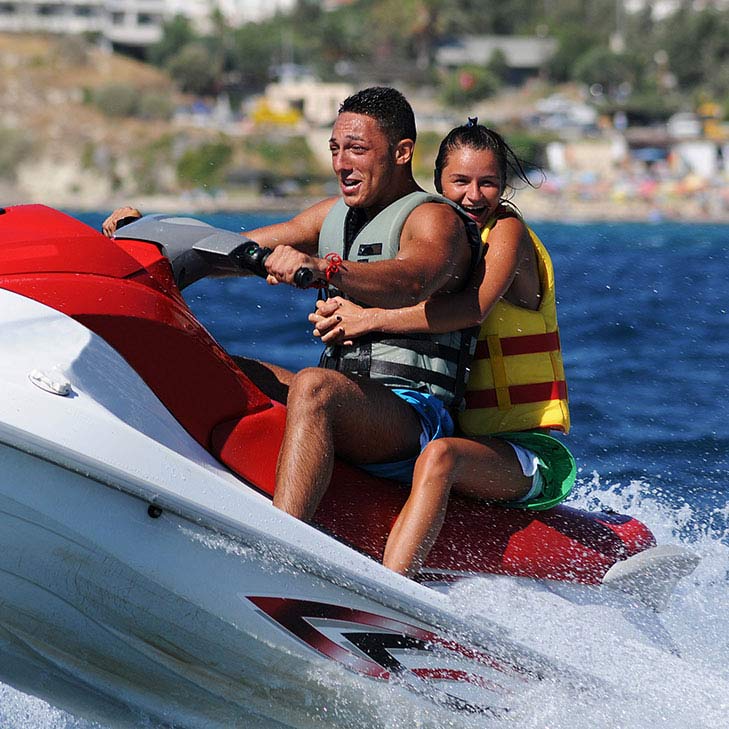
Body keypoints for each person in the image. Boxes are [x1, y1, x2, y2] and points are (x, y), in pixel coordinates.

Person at [102, 86, 481, 524]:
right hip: (354, 402)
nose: (342, 163)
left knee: (313, 387)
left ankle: (284, 540)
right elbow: (234, 251)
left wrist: (325, 268)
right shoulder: (329, 216)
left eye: (357, 149)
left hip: (414, 417)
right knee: (218, 367)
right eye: (336, 149)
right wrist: (146, 237)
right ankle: (167, 492)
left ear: (401, 152)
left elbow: (413, 280)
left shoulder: (433, 218)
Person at [311, 119, 575, 576]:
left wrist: (369, 318)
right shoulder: (437, 236)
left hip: (524, 452)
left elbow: (472, 309)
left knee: (441, 456)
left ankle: (390, 592)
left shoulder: (507, 230)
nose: (474, 195)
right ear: (438, 182)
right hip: (460, 432)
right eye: (460, 181)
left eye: (488, 182)